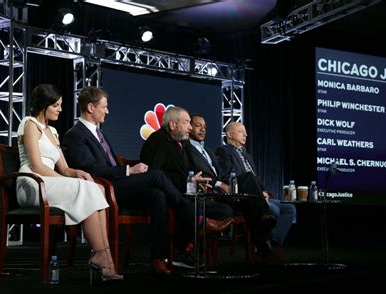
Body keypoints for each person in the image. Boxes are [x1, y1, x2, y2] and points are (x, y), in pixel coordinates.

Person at [62, 86, 230, 273]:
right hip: (102, 188)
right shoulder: (75, 135)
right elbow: (90, 169)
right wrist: (128, 169)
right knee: (157, 175)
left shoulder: (99, 133)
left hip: (117, 183)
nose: (108, 111)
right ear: (91, 108)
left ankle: (158, 258)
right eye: (104, 107)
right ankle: (195, 218)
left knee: (157, 194)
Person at [16, 84, 123, 281]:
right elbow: (37, 166)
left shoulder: (53, 131)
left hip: (50, 181)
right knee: (85, 188)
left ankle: (105, 256)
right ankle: (101, 255)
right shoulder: (29, 123)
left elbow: (65, 168)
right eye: (56, 105)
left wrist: (78, 173)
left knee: (95, 187)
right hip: (33, 183)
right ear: (44, 105)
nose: (60, 110)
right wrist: (69, 181)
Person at [140, 106, 234, 266]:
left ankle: (189, 249)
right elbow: (155, 173)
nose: (190, 127)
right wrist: (187, 182)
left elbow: (181, 174)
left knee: (225, 211)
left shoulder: (179, 145)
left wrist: (193, 182)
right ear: (172, 125)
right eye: (186, 123)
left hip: (186, 195)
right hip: (168, 197)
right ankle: (182, 250)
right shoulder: (158, 140)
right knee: (192, 210)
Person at [185, 114, 279, 261]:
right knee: (248, 187)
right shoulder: (188, 148)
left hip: (227, 192)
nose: (203, 129)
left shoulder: (208, 151)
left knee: (253, 204)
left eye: (205, 127)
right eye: (198, 126)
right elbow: (218, 176)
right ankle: (264, 240)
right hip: (211, 191)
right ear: (189, 127)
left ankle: (264, 248)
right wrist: (221, 184)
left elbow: (220, 173)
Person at [215, 122, 297, 265]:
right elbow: (226, 176)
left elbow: (257, 180)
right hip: (242, 197)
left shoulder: (247, 155)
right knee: (273, 208)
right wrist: (256, 190)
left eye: (245, 131)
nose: (246, 134)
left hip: (258, 196)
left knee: (290, 209)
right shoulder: (224, 151)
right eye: (241, 131)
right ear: (230, 134)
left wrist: (263, 192)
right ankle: (266, 248)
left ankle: (274, 244)